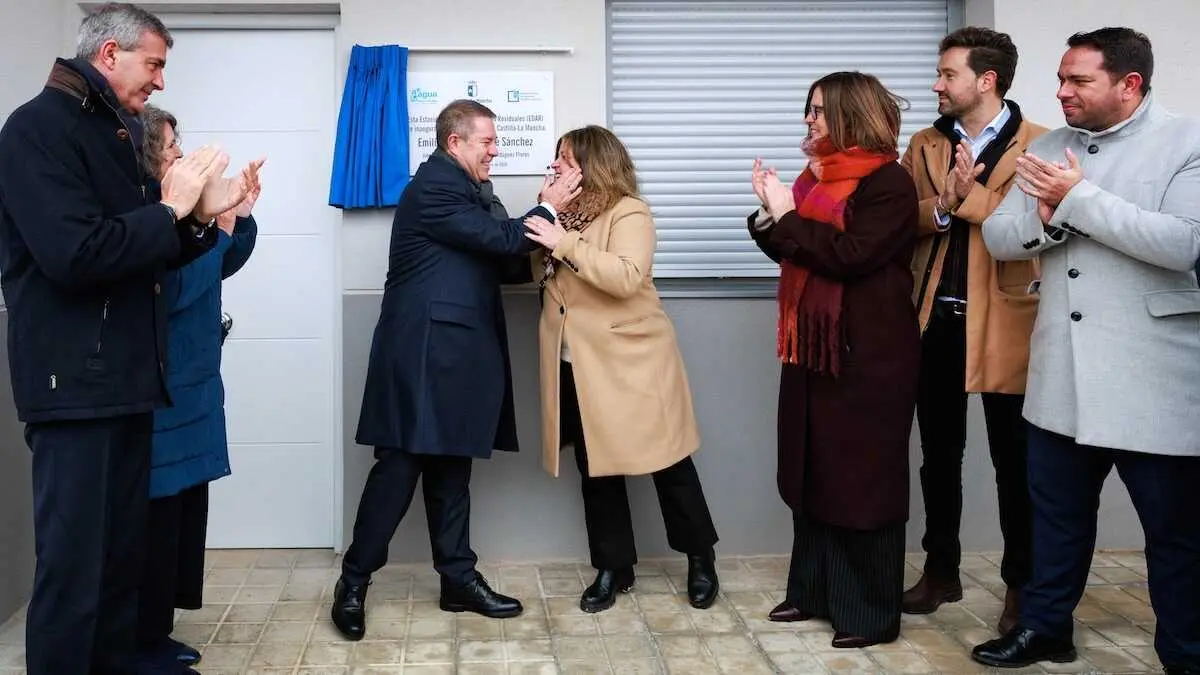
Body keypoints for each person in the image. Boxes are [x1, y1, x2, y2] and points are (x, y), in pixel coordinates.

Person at [0, 3, 258, 672]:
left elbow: (147, 248)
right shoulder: (37, 131)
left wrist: (203, 216)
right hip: (74, 388)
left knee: (119, 568)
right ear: (108, 55)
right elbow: (74, 254)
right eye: (155, 63)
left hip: (126, 384)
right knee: (74, 573)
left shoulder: (115, 132)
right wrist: (172, 207)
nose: (161, 81)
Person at [971, 28, 1200, 674]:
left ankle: (1185, 651)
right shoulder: (1048, 146)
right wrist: (1045, 217)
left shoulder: (1189, 142)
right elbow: (999, 235)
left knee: (1177, 536)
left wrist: (1076, 197)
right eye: (1062, 79)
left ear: (1129, 85)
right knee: (1057, 519)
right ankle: (1046, 627)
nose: (1061, 91)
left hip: (1153, 377)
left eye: (1079, 81)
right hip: (1063, 375)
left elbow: (1181, 243)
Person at [331, 99, 583, 641]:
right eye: (488, 141)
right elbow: (503, 240)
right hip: (421, 356)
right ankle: (353, 583)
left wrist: (545, 231)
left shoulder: (475, 193)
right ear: (455, 143)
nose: (497, 150)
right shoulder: (435, 187)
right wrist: (545, 208)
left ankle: (457, 581)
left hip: (457, 358)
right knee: (397, 475)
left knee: (451, 474)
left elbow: (509, 260)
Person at [747, 71, 920, 649]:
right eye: (809, 109)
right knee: (813, 469)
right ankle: (813, 593)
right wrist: (769, 214)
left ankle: (868, 613)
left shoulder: (889, 183)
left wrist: (787, 217)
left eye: (819, 110)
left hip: (868, 357)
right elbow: (795, 251)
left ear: (850, 114)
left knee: (861, 480)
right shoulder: (816, 176)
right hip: (814, 352)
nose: (809, 119)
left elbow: (849, 256)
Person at [522, 126, 720, 614]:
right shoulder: (556, 215)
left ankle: (701, 558)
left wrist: (562, 241)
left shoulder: (630, 211)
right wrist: (546, 221)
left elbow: (627, 277)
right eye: (556, 160)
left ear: (594, 165)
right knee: (596, 469)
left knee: (669, 463)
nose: (556, 168)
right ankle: (614, 566)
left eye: (566, 160)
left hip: (634, 363)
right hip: (577, 361)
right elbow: (537, 278)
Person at [899, 26, 1047, 635]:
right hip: (935, 320)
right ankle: (941, 572)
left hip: (1011, 323)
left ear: (985, 80)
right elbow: (900, 219)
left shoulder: (1043, 142)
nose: (937, 84)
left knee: (1017, 465)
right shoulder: (925, 144)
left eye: (948, 74)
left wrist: (965, 196)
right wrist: (940, 205)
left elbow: (1031, 224)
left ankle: (1022, 589)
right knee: (938, 458)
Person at [135, 104, 260, 672]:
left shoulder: (180, 218)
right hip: (164, 393)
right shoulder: (144, 219)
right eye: (170, 150)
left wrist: (240, 218)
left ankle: (158, 633)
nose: (180, 159)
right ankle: (142, 640)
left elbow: (221, 263)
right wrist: (218, 225)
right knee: (155, 529)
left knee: (183, 520)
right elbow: (180, 289)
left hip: (195, 384)